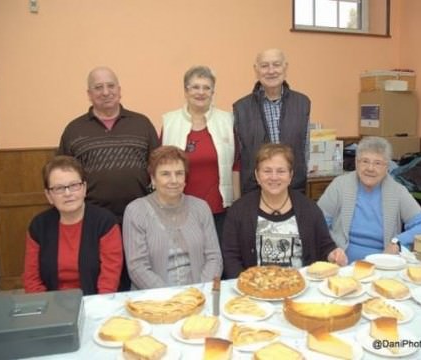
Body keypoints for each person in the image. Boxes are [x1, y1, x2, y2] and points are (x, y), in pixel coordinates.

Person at [222, 143, 346, 279]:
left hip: (300, 286)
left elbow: (325, 247)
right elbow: (230, 257)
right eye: (267, 171)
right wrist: (246, 284)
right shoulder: (239, 211)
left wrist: (334, 254)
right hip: (254, 289)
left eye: (281, 171)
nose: (274, 177)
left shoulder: (309, 208)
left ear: (290, 175)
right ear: (257, 175)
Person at [58, 66, 160, 223]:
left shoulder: (142, 124)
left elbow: (158, 166)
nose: (106, 92)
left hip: (141, 215)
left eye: (110, 86)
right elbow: (62, 175)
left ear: (119, 90)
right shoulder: (73, 130)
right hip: (91, 218)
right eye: (98, 87)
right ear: (89, 94)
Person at [317, 136, 421, 263]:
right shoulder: (340, 185)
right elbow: (317, 223)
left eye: (378, 163)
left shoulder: (397, 191)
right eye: (365, 161)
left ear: (387, 167)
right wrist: (331, 249)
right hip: (343, 262)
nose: (370, 168)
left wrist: (397, 243)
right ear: (357, 162)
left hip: (383, 265)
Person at [122, 146, 223, 289]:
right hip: (155, 300)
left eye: (179, 173)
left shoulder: (201, 208)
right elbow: (137, 268)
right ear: (153, 178)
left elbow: (214, 258)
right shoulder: (136, 211)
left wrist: (201, 291)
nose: (174, 180)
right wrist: (171, 299)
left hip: (200, 295)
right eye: (165, 174)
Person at [23, 156, 123, 295]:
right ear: (49, 195)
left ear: (84, 188)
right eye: (59, 188)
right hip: (52, 304)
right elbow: (31, 279)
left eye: (74, 185)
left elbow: (109, 280)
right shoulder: (38, 226)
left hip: (94, 301)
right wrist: (47, 309)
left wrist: (97, 307)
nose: (68, 193)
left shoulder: (105, 222)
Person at [161, 66, 239, 242]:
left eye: (206, 87)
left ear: (213, 92)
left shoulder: (227, 121)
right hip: (180, 209)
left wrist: (237, 202)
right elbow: (159, 166)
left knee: (220, 262)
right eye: (195, 87)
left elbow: (236, 164)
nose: (201, 92)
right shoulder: (170, 122)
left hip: (220, 209)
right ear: (185, 91)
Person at [233, 48, 310, 195]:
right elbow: (240, 157)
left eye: (276, 64)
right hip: (254, 193)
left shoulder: (303, 103)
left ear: (285, 67)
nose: (271, 70)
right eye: (264, 66)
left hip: (293, 190)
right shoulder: (241, 108)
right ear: (256, 70)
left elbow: (305, 151)